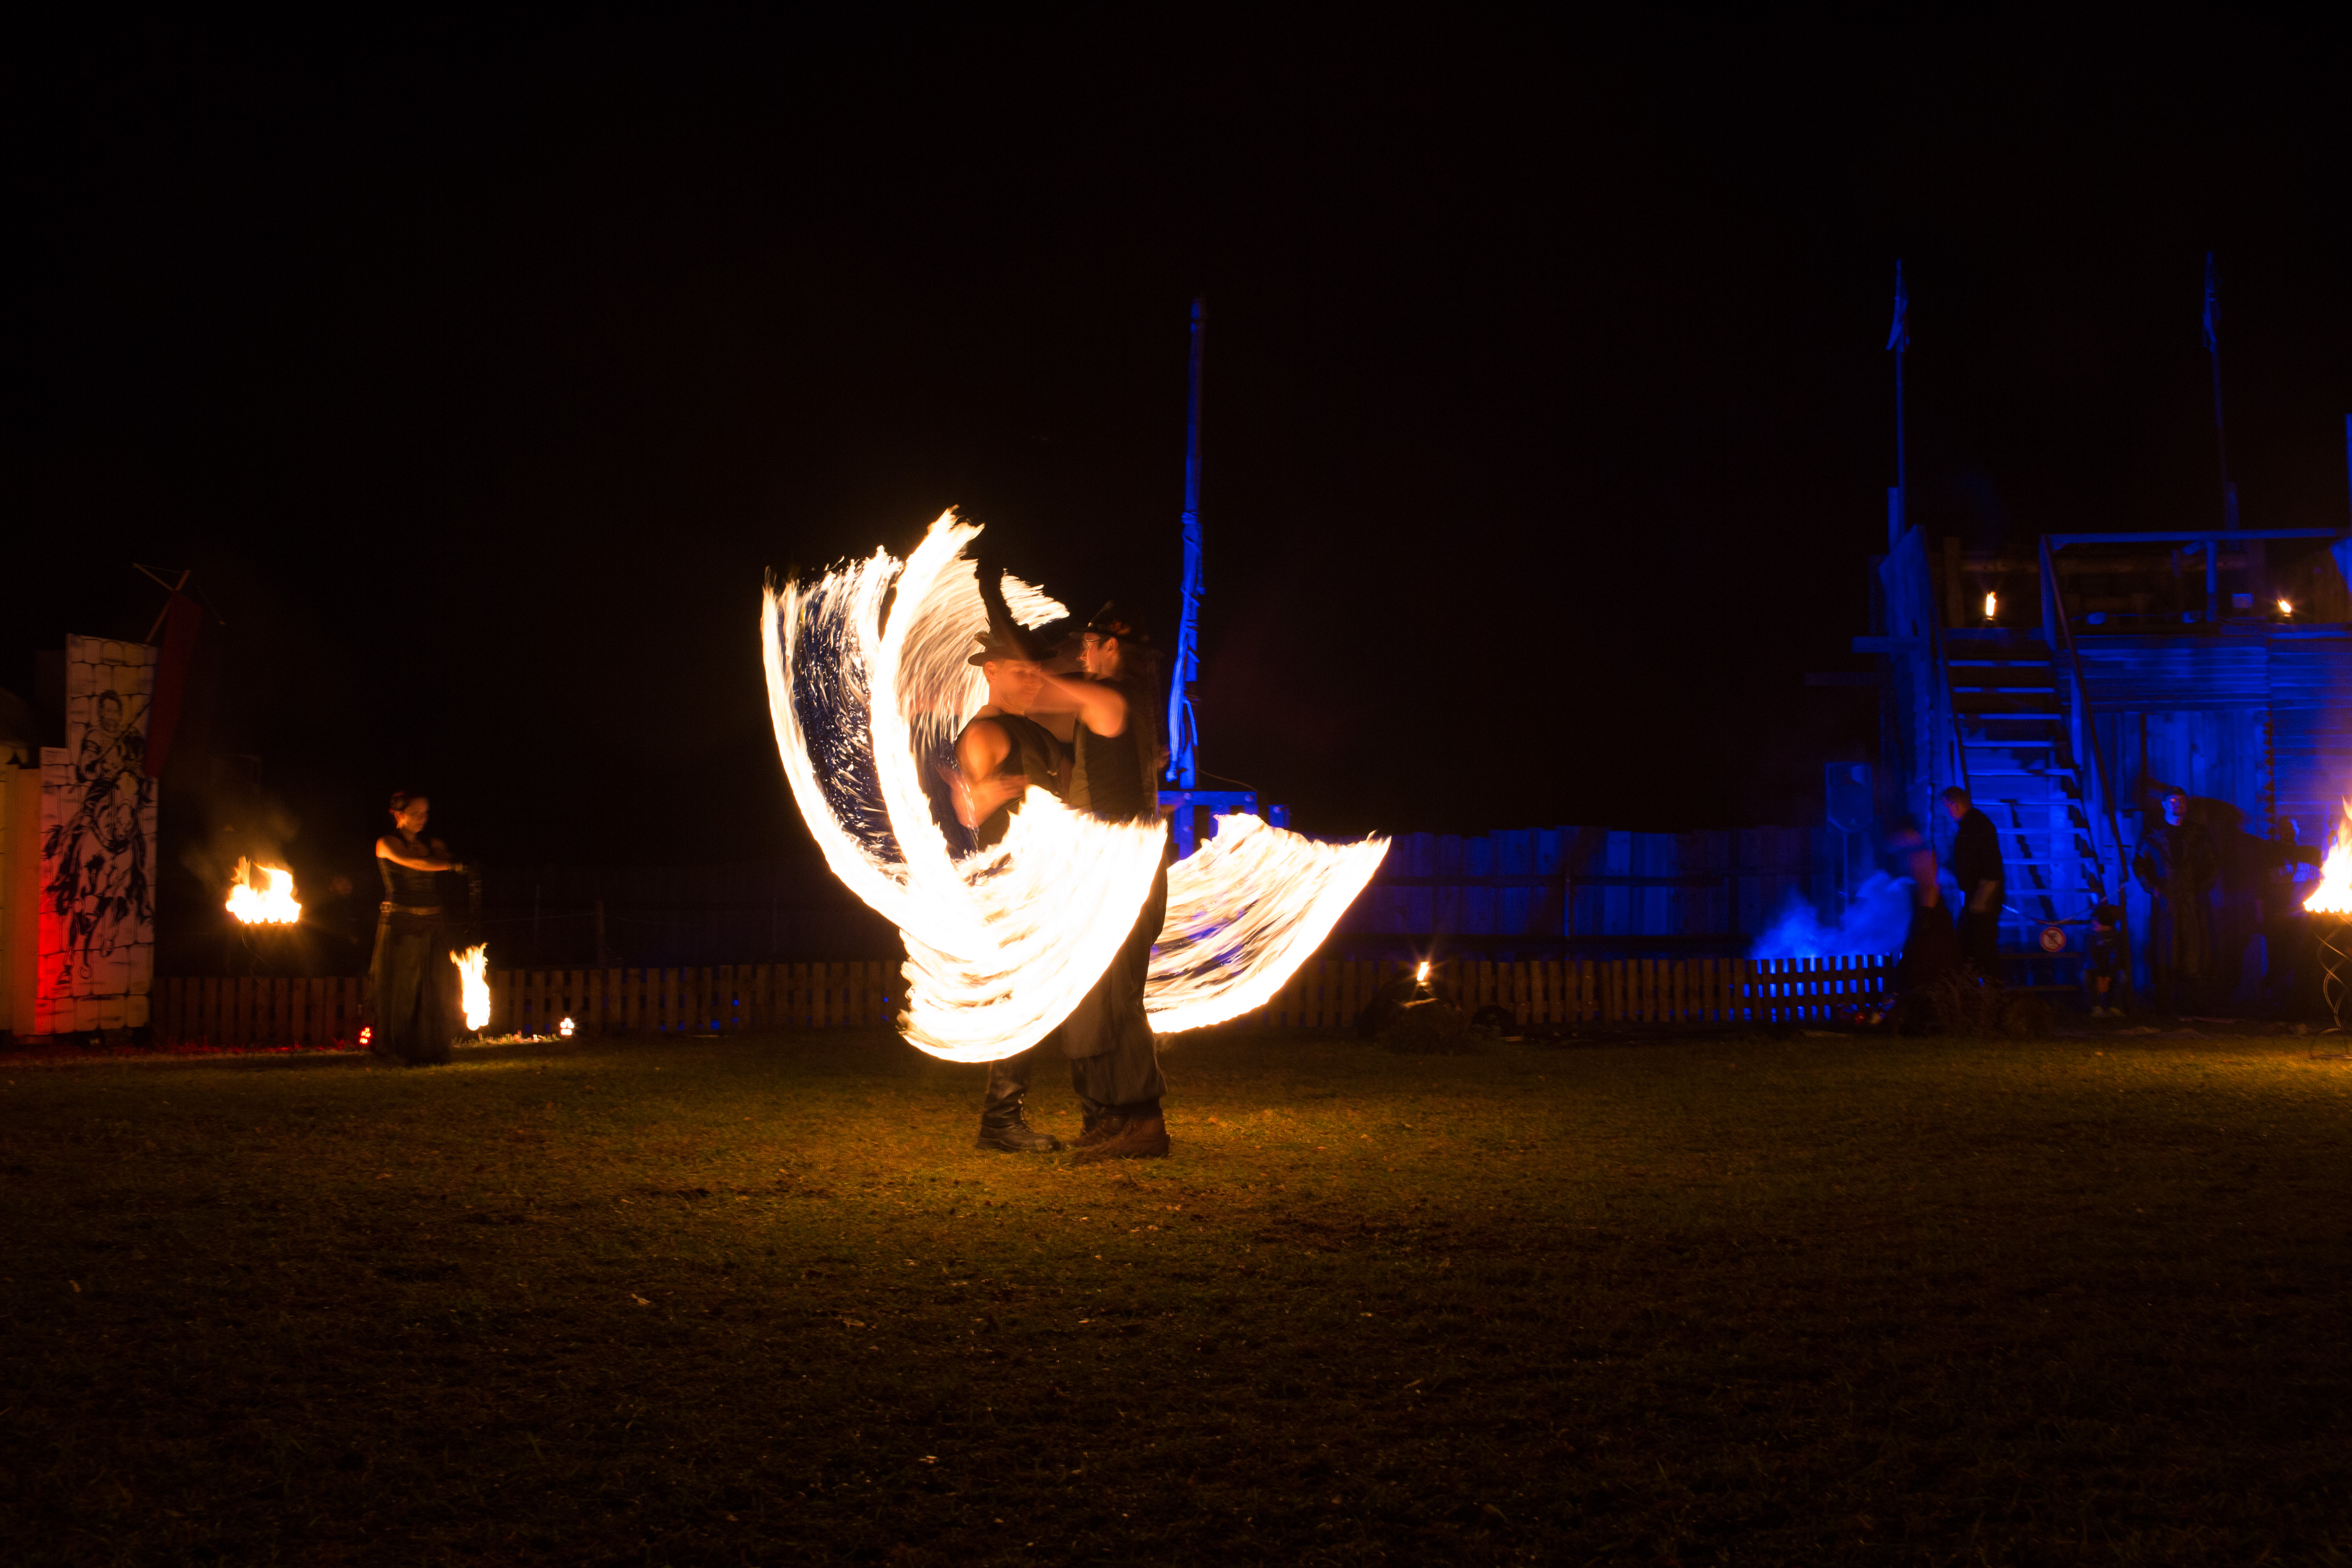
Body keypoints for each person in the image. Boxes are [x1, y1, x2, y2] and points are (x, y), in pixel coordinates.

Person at [1029, 603, 1170, 1163]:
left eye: (1089, 643)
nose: (1082, 653)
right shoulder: (1121, 704)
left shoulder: (1109, 700)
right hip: (1108, 867)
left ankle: (1145, 1122)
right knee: (1093, 996)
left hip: (1123, 873)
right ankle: (1112, 1117)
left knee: (1117, 998)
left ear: (1113, 647)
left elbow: (1041, 691)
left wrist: (1019, 654)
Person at [948, 598, 1075, 1152]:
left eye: (1036, 671)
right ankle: (1000, 1121)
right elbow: (971, 811)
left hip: (1046, 883)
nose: (1032, 681)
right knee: (1023, 1002)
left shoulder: (1032, 732)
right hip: (1014, 889)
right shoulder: (987, 735)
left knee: (1043, 999)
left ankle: (1011, 1117)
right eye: (1021, 672)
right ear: (992, 672)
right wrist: (982, 797)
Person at [372, 790, 468, 1067]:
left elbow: (444, 859)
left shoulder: (434, 843)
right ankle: (400, 1048)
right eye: (416, 814)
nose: (423, 819)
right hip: (403, 923)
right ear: (399, 815)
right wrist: (453, 865)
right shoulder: (387, 843)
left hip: (434, 922)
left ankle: (432, 1047)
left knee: (435, 985)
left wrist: (458, 863)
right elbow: (417, 863)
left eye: (426, 813)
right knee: (405, 987)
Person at [2133, 788, 2217, 1014]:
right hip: (2165, 901)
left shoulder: (2199, 834)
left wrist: (2200, 888)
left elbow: (2212, 864)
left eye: (2181, 801)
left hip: (2192, 900)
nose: (2177, 804)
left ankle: (2195, 1006)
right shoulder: (2152, 835)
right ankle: (2165, 1007)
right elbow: (2140, 865)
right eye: (2172, 800)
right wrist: (2153, 888)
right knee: (2165, 948)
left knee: (2194, 948)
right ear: (2164, 804)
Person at [1888, 815, 1962, 995]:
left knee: (1926, 956)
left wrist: (1926, 916)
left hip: (1930, 910)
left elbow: (1930, 885)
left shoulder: (1921, 852)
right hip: (1927, 908)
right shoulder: (1917, 851)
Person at [1942, 786, 2003, 976]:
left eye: (1948, 807)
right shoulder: (1971, 826)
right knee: (1972, 944)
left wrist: (1982, 897)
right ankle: (1980, 986)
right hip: (1978, 895)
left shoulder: (1976, 827)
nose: (1948, 812)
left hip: (1983, 895)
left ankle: (1988, 987)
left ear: (1955, 805)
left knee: (1981, 947)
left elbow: (1989, 864)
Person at [2085, 902, 2124, 1017]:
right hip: (2096, 972)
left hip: (2109, 972)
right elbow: (2091, 958)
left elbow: (2116, 959)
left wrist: (2107, 979)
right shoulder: (2091, 937)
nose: (2093, 923)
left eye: (2096, 920)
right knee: (2085, 975)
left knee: (2122, 975)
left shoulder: (2116, 937)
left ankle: (2114, 1007)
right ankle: (2096, 1007)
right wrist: (2099, 978)